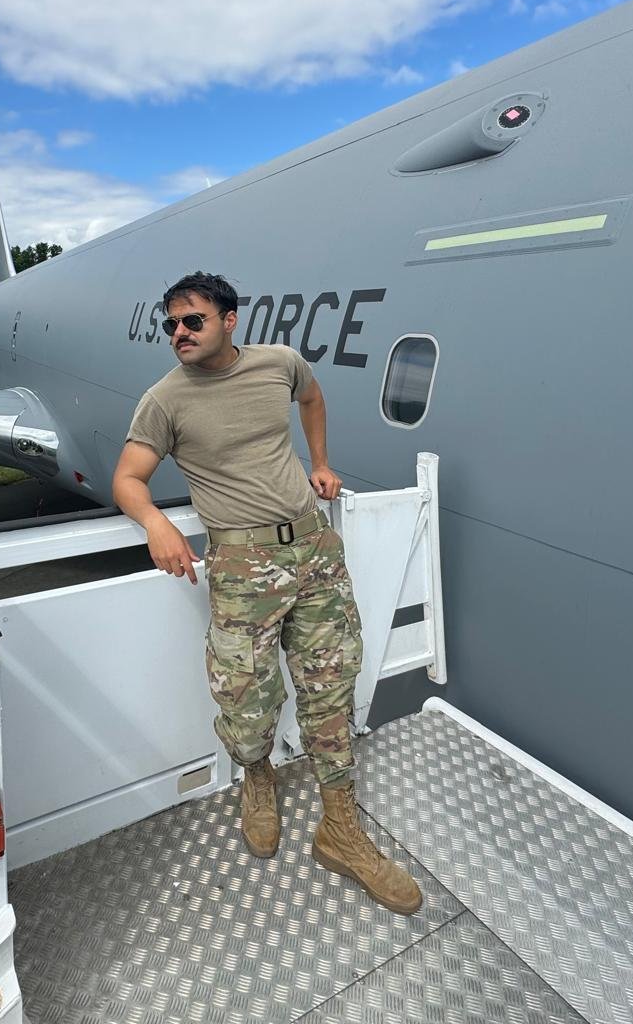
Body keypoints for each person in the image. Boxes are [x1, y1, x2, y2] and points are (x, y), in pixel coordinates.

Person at [112, 271, 422, 915]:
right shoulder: (164, 400)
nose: (178, 334)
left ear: (229, 320)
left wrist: (321, 462)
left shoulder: (278, 363)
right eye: (170, 324)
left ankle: (339, 829)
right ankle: (257, 777)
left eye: (192, 321)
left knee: (329, 684)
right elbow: (129, 478)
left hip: (313, 549)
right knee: (247, 695)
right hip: (241, 561)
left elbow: (312, 399)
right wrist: (155, 522)